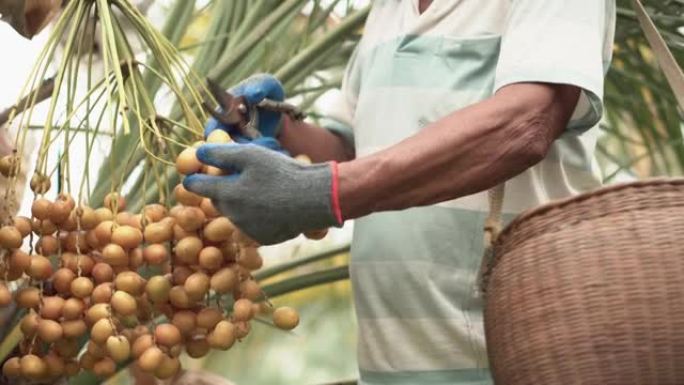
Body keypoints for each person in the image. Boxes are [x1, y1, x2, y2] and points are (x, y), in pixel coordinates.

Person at [186, 1, 617, 384]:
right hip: (392, 366)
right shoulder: (386, 12)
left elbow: (526, 122)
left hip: (521, 359)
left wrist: (326, 192)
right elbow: (354, 151)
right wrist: (280, 127)